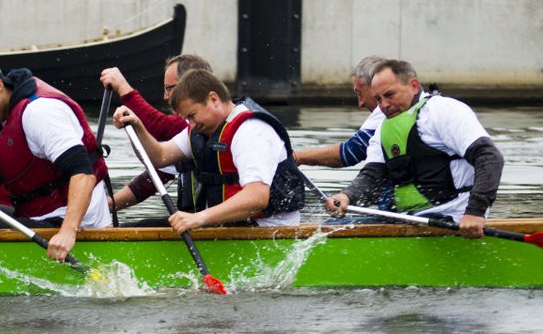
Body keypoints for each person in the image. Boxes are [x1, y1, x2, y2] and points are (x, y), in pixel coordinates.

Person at [0, 57, 111, 262]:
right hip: (35, 219)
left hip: (74, 223)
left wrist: (67, 232)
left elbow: (83, 174)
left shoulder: (39, 112)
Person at [325, 59, 504, 238]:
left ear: (414, 85)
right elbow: (372, 176)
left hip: (452, 219)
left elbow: (489, 157)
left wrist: (475, 212)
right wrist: (346, 196)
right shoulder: (384, 128)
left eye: (389, 95)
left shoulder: (444, 110)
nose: (384, 105)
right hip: (410, 220)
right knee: (332, 226)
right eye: (378, 99)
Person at [112, 68, 304, 233]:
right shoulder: (204, 130)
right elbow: (160, 157)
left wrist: (199, 218)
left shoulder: (251, 132)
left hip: (267, 231)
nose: (191, 125)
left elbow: (257, 197)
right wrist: (136, 126)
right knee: (132, 228)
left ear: (214, 99)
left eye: (192, 116)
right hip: (230, 226)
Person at [99, 54, 210, 213]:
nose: (165, 97)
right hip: (197, 223)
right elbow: (148, 182)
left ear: (191, 86)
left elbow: (161, 128)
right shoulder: (192, 138)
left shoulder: (208, 127)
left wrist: (124, 89)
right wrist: (104, 208)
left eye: (169, 89)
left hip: (223, 227)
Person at [294, 55, 386, 168]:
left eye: (360, 93)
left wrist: (297, 156)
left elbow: (351, 152)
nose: (360, 104)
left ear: (377, 87)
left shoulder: (384, 112)